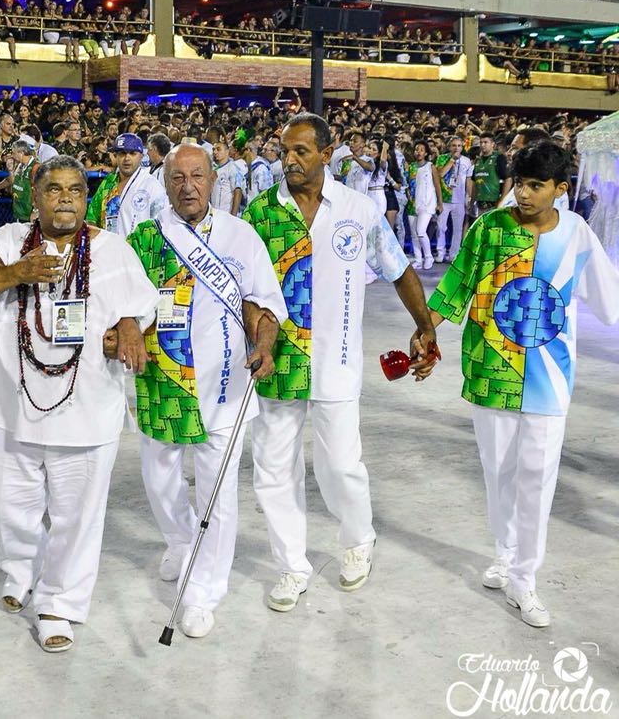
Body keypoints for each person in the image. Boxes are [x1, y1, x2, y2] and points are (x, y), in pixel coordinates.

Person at [0, 154, 156, 653]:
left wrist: (129, 327)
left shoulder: (113, 250)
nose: (65, 197)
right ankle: (23, 565)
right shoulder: (7, 242)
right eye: (54, 189)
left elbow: (142, 304)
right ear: (35, 197)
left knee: (77, 516)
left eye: (75, 189)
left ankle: (58, 604)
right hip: (12, 405)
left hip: (85, 408)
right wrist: (19, 272)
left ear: (87, 199)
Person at [416, 138, 619, 628]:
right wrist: (426, 329)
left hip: (548, 378)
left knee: (537, 478)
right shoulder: (488, 228)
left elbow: (608, 302)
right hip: (490, 369)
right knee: (498, 472)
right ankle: (505, 555)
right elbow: (456, 285)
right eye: (519, 184)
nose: (523, 195)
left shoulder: (576, 234)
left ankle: (525, 579)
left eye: (536, 186)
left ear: (559, 189)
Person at [241, 113, 436, 613]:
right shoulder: (260, 213)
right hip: (276, 361)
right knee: (273, 470)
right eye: (285, 151)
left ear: (328, 154)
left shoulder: (358, 210)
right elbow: (242, 289)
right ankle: (291, 566)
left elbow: (397, 268)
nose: (290, 160)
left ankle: (357, 539)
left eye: (302, 151)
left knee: (339, 467)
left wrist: (424, 323)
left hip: (336, 362)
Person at [126, 143, 286, 639]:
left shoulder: (241, 237)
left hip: (225, 382)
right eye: (178, 178)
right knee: (159, 478)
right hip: (161, 380)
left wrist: (264, 343)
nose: (188, 186)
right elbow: (122, 302)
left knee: (219, 492)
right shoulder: (145, 239)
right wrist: (125, 326)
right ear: (166, 182)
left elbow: (264, 305)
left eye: (197, 176)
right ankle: (179, 541)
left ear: (214, 179)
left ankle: (203, 591)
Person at [85, 133, 168, 235]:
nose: (127, 158)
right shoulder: (108, 182)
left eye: (132, 153)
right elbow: (92, 216)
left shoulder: (152, 186)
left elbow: (162, 227)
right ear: (116, 156)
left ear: (141, 156)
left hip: (137, 250)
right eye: (122, 153)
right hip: (108, 247)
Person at [405, 140, 444, 269]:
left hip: (427, 204)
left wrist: (440, 203)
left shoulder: (430, 166)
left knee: (421, 231)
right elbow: (407, 184)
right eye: (416, 149)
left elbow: (437, 185)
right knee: (414, 234)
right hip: (413, 203)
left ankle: (428, 257)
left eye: (422, 150)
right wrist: (408, 194)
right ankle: (418, 259)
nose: (418, 152)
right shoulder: (411, 167)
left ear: (426, 152)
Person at [435, 136, 474, 261]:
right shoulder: (442, 158)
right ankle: (440, 253)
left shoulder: (467, 161)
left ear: (462, 148)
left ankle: (453, 254)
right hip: (444, 199)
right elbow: (440, 174)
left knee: (457, 228)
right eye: (454, 145)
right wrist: (451, 160)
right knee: (441, 227)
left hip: (460, 200)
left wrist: (470, 197)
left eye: (459, 146)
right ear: (449, 147)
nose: (456, 148)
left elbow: (468, 181)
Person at [209, 141, 245, 215]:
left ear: (227, 152)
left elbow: (238, 192)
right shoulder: (213, 168)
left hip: (227, 213)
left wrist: (233, 216)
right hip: (215, 213)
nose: (215, 152)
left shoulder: (233, 168)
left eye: (218, 149)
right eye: (213, 149)